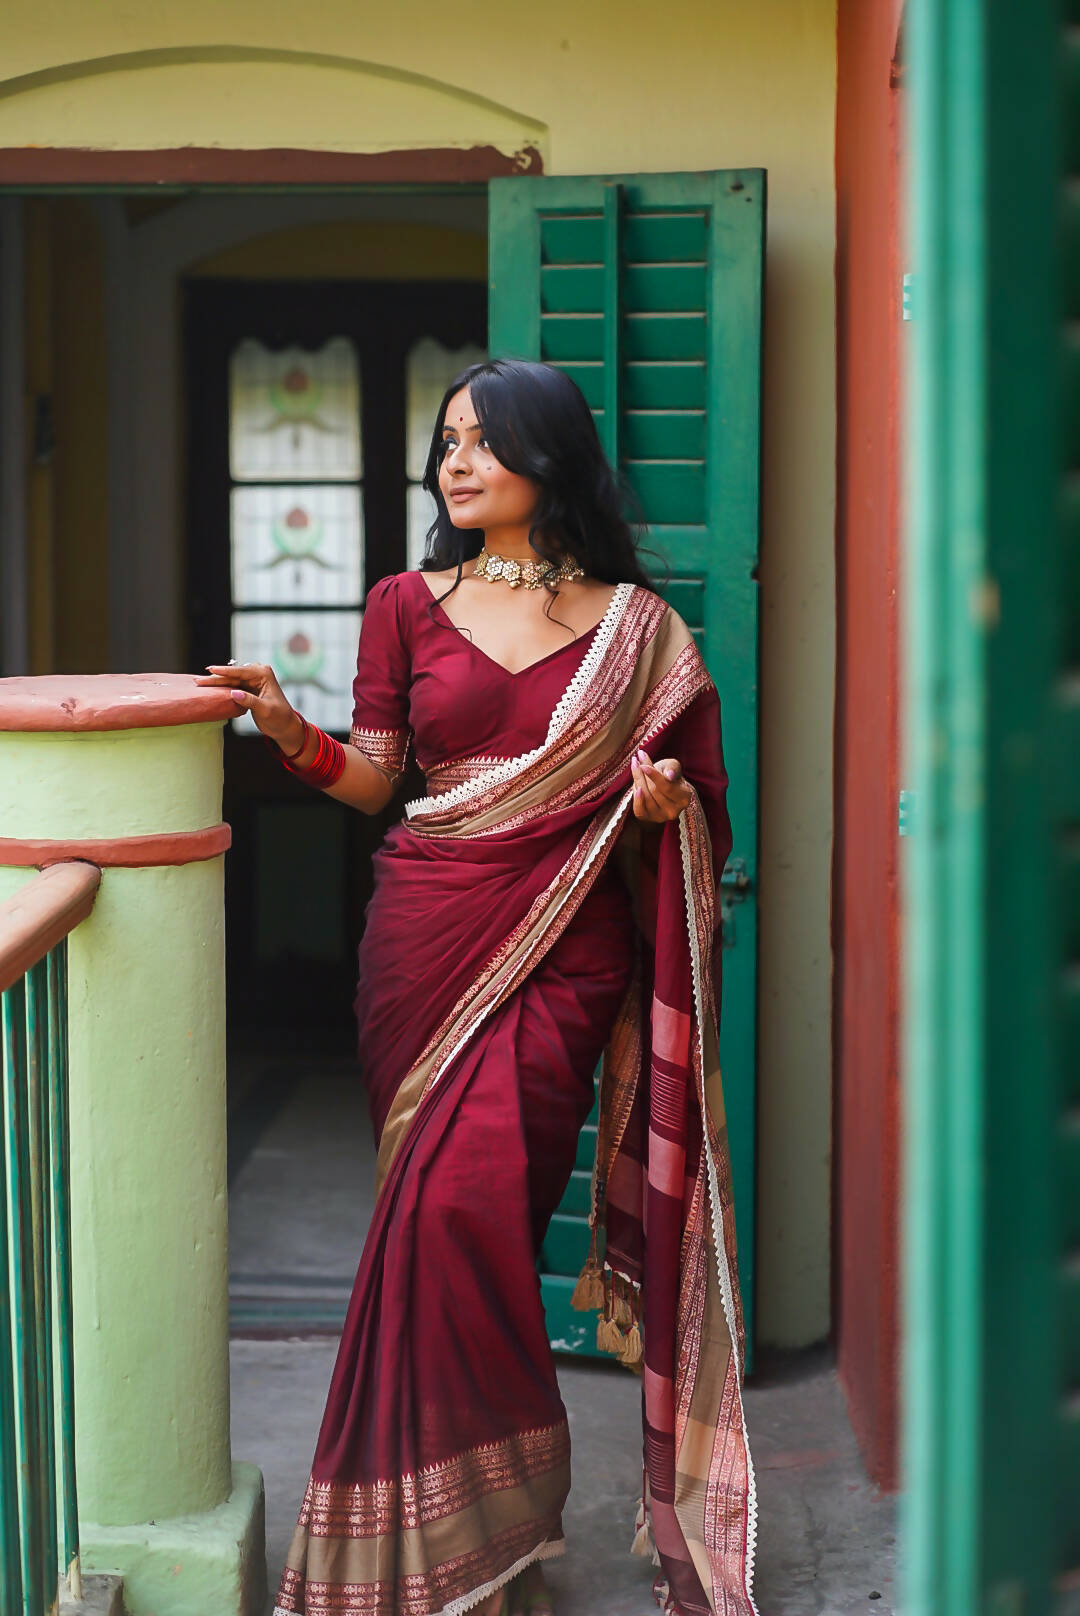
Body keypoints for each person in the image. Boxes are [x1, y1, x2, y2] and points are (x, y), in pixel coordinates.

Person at [197, 359, 758, 1616]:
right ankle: (474, 1539)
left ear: (548, 456)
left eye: (482, 440)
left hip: (562, 956)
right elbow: (379, 775)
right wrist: (289, 728)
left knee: (476, 1219)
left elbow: (698, 811)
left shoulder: (638, 630)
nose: (454, 463)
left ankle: (491, 1526)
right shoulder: (405, 600)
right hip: (425, 938)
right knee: (438, 1223)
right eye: (444, 442)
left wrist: (663, 813)